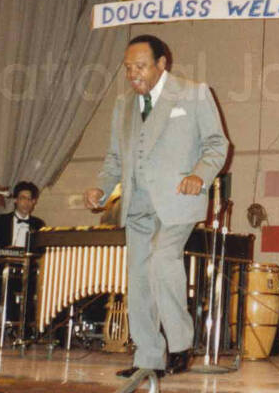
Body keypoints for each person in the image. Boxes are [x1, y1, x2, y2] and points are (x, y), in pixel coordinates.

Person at [84, 35, 229, 379]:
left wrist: (200, 174)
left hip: (178, 199)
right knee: (139, 280)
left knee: (164, 260)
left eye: (141, 66)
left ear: (162, 63)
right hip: (138, 204)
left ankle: (180, 344)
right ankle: (149, 356)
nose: (133, 74)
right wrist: (100, 188)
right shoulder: (123, 105)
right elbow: (114, 159)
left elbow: (217, 144)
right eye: (128, 68)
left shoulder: (193, 93)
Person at [0, 181, 46, 324]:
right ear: (16, 200)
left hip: (28, 271)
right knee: (6, 283)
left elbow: (42, 251)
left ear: (34, 202)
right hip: (3, 268)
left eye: (30, 199)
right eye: (23, 198)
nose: (26, 203)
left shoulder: (38, 224)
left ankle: (26, 326)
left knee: (38, 283)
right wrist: (6, 250)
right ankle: (9, 324)